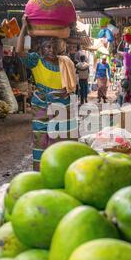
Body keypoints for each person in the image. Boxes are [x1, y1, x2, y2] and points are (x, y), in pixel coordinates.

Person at [16, 15, 77, 171]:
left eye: (54, 46)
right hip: (41, 105)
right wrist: (23, 26)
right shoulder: (36, 61)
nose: (51, 50)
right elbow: (19, 51)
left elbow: (70, 86)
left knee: (63, 140)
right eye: (47, 47)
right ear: (41, 49)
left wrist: (65, 92)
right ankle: (39, 173)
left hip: (63, 105)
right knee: (41, 140)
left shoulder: (65, 62)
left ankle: (63, 171)